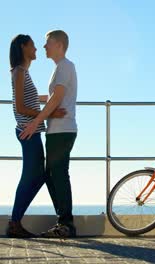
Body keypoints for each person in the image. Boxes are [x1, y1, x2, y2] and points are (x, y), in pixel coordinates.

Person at [6, 34, 66, 238]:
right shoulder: (19, 72)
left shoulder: (24, 72)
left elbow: (32, 99)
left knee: (40, 175)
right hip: (27, 131)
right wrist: (50, 112)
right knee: (30, 177)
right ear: (23, 47)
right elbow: (21, 107)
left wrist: (54, 99)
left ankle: (15, 221)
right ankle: (14, 222)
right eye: (32, 45)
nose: (37, 49)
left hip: (32, 131)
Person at [20, 30, 78, 238]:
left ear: (59, 45)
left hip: (62, 130)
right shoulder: (60, 68)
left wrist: (36, 120)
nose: (44, 47)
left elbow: (57, 98)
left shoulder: (65, 66)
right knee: (52, 175)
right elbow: (53, 96)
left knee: (58, 174)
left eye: (48, 43)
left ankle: (66, 224)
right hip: (57, 130)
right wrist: (28, 97)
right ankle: (63, 221)